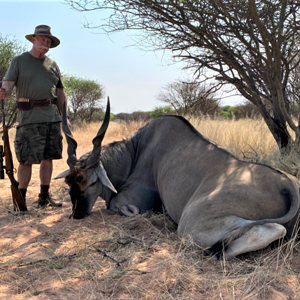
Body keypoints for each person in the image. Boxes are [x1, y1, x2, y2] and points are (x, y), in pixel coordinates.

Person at [0, 25, 69, 208]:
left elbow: (61, 93)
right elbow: (8, 85)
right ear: (33, 40)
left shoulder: (53, 65)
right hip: (29, 119)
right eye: (42, 39)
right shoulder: (19, 61)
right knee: (26, 160)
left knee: (48, 158)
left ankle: (44, 197)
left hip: (52, 119)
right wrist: (4, 92)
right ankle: (20, 202)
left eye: (48, 41)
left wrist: (64, 118)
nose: (45, 43)